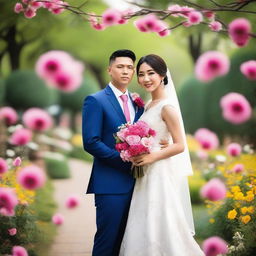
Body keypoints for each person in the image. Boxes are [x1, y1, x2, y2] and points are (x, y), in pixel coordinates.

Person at [119, 54, 205, 256]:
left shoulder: (167, 107)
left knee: (161, 217)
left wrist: (151, 157)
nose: (146, 79)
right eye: (141, 74)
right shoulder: (148, 105)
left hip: (159, 171)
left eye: (151, 73)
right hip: (144, 172)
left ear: (163, 75)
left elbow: (180, 145)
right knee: (143, 217)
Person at [82, 49, 144, 256]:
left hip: (139, 185)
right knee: (107, 241)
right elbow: (91, 142)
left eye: (129, 68)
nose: (125, 71)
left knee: (128, 243)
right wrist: (124, 161)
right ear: (110, 69)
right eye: (120, 67)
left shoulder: (138, 103)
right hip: (110, 184)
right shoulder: (95, 100)